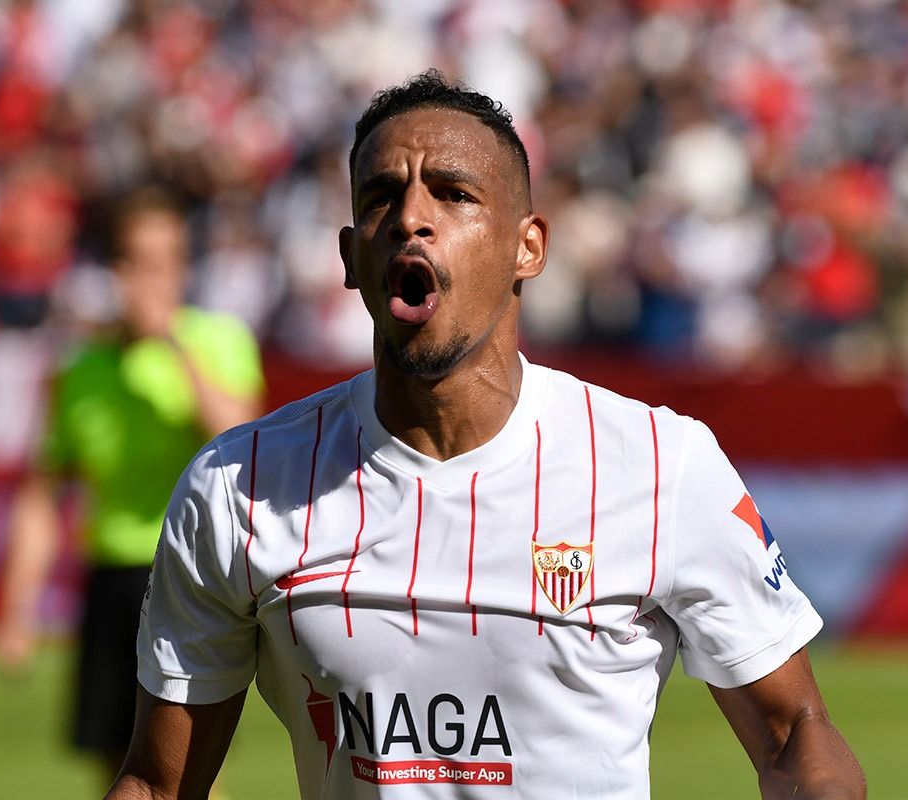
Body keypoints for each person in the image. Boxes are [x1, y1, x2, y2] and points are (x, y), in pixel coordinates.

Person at [111, 72, 865, 799]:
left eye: (453, 193)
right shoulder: (237, 487)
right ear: (350, 258)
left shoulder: (663, 466)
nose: (411, 216)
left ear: (527, 247)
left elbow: (795, 731)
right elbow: (158, 783)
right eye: (382, 197)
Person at [0, 187, 263, 785]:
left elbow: (244, 440)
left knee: (181, 768)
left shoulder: (218, 342)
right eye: (140, 261)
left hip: (191, 577)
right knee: (110, 765)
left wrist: (172, 345)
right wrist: (16, 610)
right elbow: (43, 495)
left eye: (166, 261)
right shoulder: (82, 369)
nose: (153, 278)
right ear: (115, 270)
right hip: (110, 578)